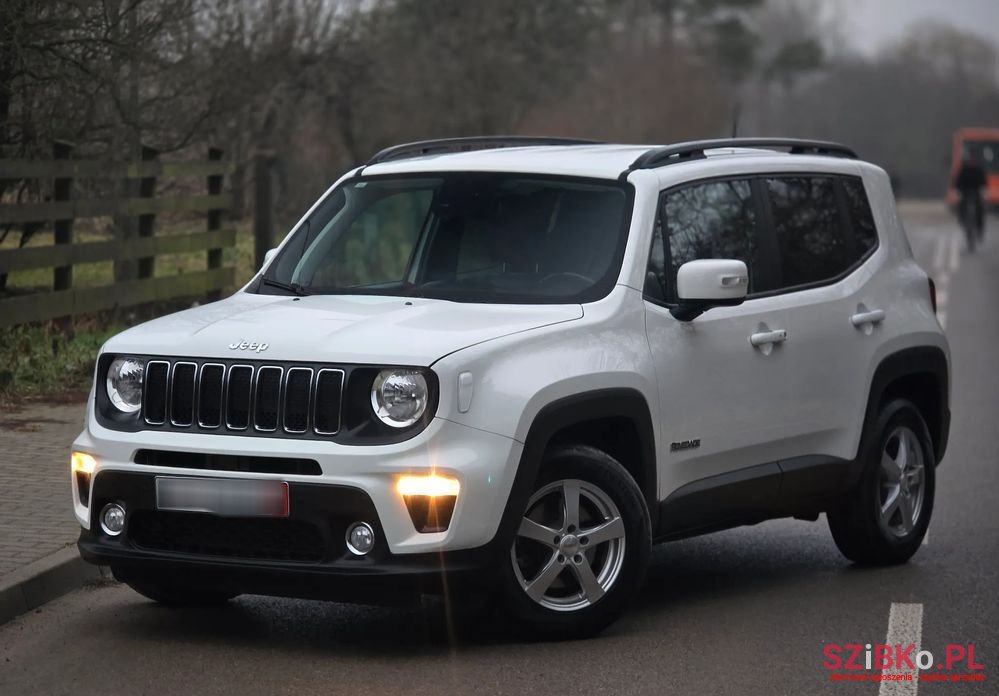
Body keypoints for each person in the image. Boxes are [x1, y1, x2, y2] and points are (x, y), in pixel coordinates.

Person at [954, 157, 987, 242]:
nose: (972, 162)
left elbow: (983, 182)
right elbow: (958, 182)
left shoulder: (979, 170)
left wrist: (982, 190)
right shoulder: (964, 170)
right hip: (966, 193)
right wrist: (958, 190)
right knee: (961, 206)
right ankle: (962, 219)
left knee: (980, 210)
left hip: (976, 194)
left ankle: (980, 230)